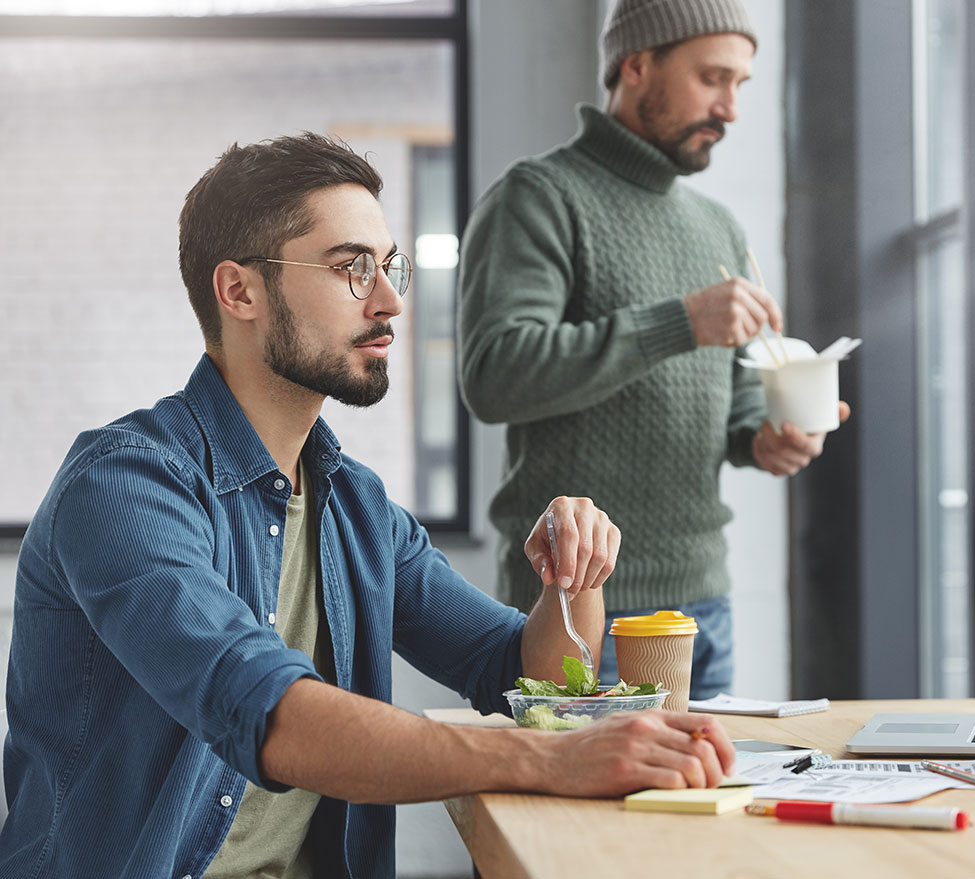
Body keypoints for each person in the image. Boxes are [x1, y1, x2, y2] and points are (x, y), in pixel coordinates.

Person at [0, 133, 734, 878]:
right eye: (351, 268)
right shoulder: (124, 485)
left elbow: (522, 673)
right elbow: (263, 709)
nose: (389, 301)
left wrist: (575, 573)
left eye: (390, 267)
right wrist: (549, 758)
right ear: (240, 292)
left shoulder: (355, 505)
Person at [457, 0, 849, 699]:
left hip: (704, 611)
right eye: (712, 78)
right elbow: (496, 374)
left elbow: (734, 396)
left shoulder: (718, 226)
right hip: (577, 609)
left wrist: (763, 438)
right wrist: (681, 322)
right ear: (636, 66)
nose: (730, 108)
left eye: (739, 84)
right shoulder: (539, 197)